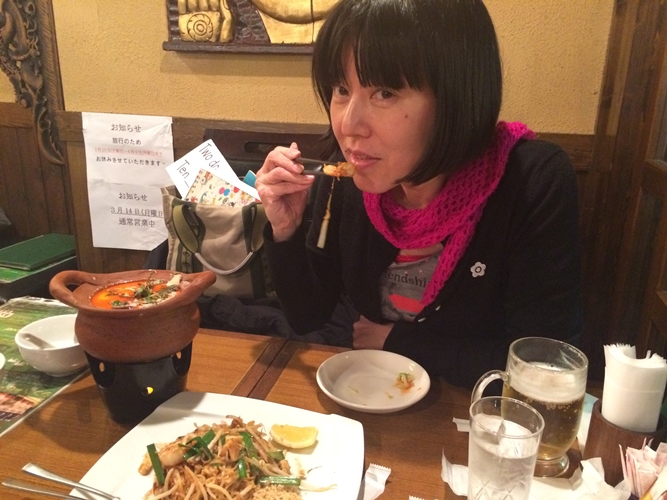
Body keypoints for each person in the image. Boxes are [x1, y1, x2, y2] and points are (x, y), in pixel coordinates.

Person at [254, 0, 582, 389]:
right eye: (341, 89)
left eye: (384, 93)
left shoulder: (531, 181)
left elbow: (543, 369)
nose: (349, 124)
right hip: (369, 392)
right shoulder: (346, 178)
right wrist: (285, 230)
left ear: (456, 96)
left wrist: (399, 342)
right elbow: (308, 316)